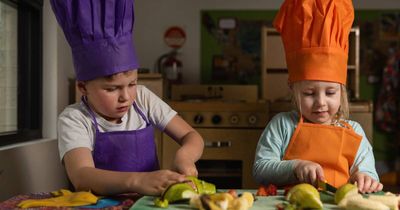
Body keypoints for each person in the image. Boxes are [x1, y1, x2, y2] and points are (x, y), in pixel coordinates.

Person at [50, 0, 204, 196]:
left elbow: (191, 136)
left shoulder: (142, 99)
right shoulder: (74, 119)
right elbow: (81, 176)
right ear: (82, 87)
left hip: (147, 204)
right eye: (112, 89)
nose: (125, 97)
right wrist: (137, 181)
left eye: (132, 84)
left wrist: (185, 157)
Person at [253, 0, 383, 193]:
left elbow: (369, 173)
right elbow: (260, 169)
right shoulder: (282, 125)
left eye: (330, 92)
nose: (320, 102)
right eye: (309, 93)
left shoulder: (354, 131)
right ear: (293, 90)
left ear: (341, 90)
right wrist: (296, 167)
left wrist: (364, 178)